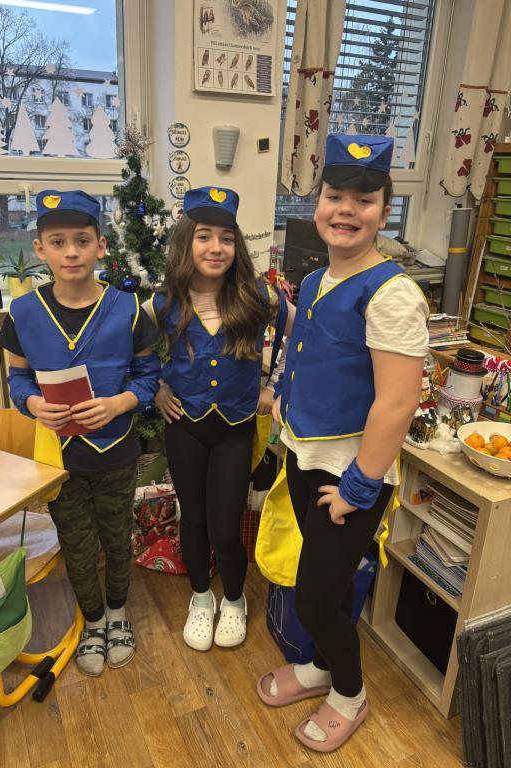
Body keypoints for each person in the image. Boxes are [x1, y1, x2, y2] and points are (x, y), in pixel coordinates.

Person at [257, 135, 429, 752]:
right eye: (335, 196)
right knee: (315, 584)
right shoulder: (315, 278)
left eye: (364, 199)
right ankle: (318, 667)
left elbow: (397, 403)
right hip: (309, 458)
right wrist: (282, 400)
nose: (346, 209)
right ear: (318, 203)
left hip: (352, 476)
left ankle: (349, 693)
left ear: (384, 212)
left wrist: (357, 487)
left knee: (316, 596)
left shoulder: (393, 294)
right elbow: (308, 355)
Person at [0, 190, 161, 677]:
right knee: (75, 542)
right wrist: (32, 403)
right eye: (58, 242)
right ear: (40, 249)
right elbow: (18, 379)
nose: (71, 252)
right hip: (59, 457)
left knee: (117, 537)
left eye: (82, 241)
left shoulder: (130, 309)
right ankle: (92, 620)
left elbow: (148, 378)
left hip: (116, 451)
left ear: (101, 246)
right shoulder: (23, 313)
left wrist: (118, 403)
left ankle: (117, 613)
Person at [144, 186, 294, 652]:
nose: (216, 247)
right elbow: (134, 355)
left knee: (226, 526)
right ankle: (200, 597)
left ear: (236, 245)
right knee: (192, 518)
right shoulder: (163, 302)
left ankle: (233, 599)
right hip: (184, 427)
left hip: (234, 429)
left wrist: (276, 388)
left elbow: (304, 339)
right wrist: (157, 388)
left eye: (226, 238)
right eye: (204, 236)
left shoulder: (259, 296)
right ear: (186, 242)